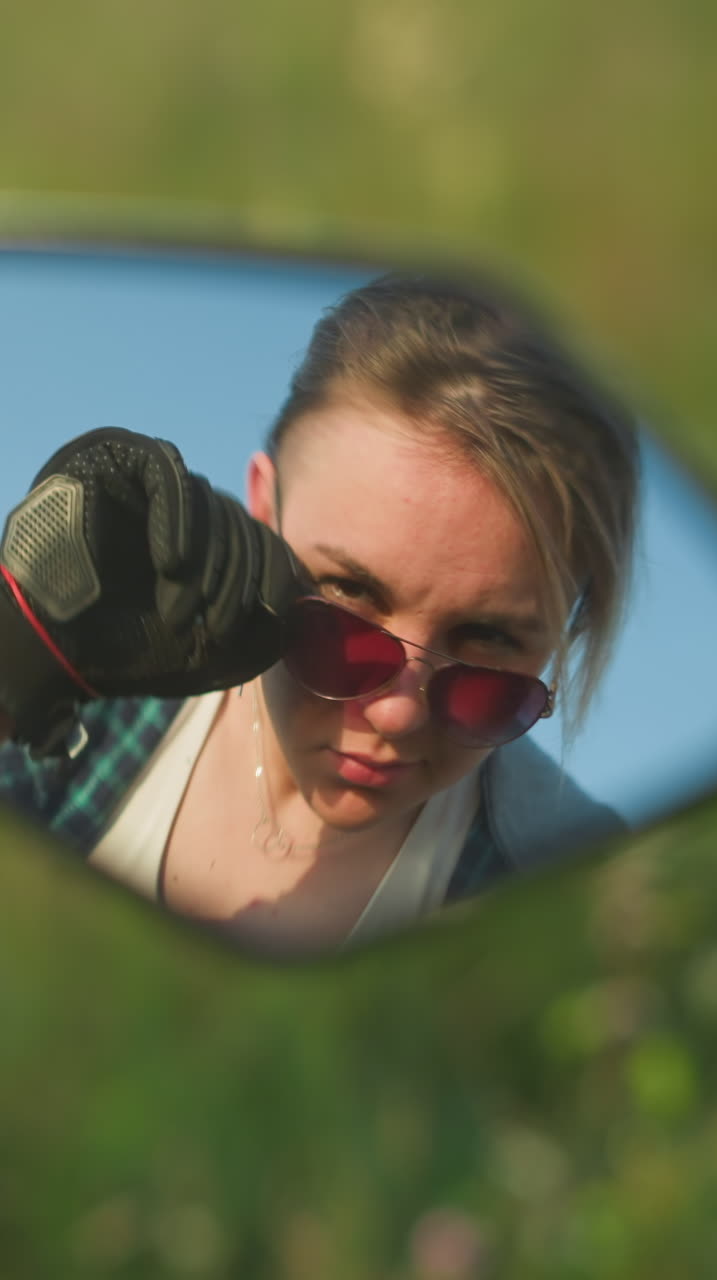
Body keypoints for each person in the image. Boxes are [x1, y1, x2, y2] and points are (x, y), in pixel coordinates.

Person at [0, 272, 638, 955]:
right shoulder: (95, 698)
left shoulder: (560, 896)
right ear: (265, 512)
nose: (397, 715)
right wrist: (15, 661)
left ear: (561, 636)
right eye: (345, 608)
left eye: (487, 654)